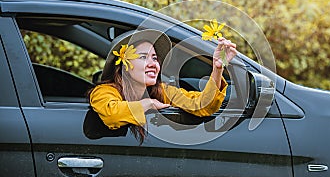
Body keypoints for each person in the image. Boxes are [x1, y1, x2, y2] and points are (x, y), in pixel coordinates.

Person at [89, 29, 237, 144]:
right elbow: (112, 114)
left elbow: (202, 105)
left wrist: (217, 69)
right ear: (124, 66)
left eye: (154, 58)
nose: (153, 64)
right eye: (143, 57)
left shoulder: (163, 91)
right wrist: (148, 104)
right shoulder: (104, 92)